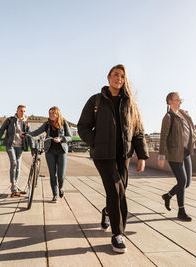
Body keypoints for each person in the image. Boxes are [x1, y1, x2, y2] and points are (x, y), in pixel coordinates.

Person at [77, 64, 149, 254]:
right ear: (108, 77)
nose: (119, 78)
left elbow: (138, 131)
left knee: (120, 191)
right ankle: (118, 234)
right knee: (116, 191)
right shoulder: (96, 100)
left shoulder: (130, 104)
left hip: (123, 155)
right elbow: (83, 127)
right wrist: (96, 142)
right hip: (103, 155)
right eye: (116, 75)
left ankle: (107, 212)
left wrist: (142, 155)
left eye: (123, 76)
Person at [158, 92, 196, 221]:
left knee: (187, 183)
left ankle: (168, 196)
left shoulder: (184, 114)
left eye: (180, 99)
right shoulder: (168, 117)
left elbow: (193, 131)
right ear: (170, 101)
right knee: (182, 181)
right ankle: (181, 211)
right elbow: (163, 137)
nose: (180, 102)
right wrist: (161, 156)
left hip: (186, 153)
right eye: (177, 99)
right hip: (174, 154)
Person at [23, 106, 72, 203]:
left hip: (62, 151)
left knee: (61, 175)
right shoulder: (47, 124)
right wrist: (26, 133)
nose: (51, 115)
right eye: (50, 113)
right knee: (52, 174)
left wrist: (61, 139)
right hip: (50, 151)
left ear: (57, 113)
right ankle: (55, 195)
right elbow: (36, 132)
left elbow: (70, 137)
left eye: (53, 113)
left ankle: (61, 188)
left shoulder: (64, 123)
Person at [0, 105, 32, 194]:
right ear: (17, 111)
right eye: (21, 111)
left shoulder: (26, 123)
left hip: (20, 146)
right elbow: (1, 131)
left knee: (18, 166)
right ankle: (13, 184)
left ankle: (15, 184)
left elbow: (30, 136)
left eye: (24, 111)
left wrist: (33, 149)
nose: (22, 113)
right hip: (10, 145)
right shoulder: (10, 120)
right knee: (14, 163)